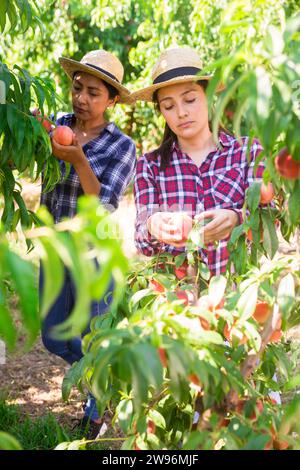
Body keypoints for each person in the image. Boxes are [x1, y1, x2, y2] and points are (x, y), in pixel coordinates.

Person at [39, 49, 136, 438]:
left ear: (112, 100)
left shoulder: (122, 146)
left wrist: (79, 160)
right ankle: (109, 381)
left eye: (93, 93)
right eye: (77, 88)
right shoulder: (56, 125)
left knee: (95, 334)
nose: (81, 98)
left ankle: (98, 408)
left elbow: (105, 203)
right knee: (54, 335)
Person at [132, 46, 265, 276]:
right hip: (177, 303)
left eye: (190, 99)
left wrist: (237, 218)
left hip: (239, 299)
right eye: (169, 106)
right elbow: (143, 243)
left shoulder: (246, 152)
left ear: (209, 96)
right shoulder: (150, 166)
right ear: (161, 112)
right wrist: (153, 225)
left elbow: (272, 221)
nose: (181, 112)